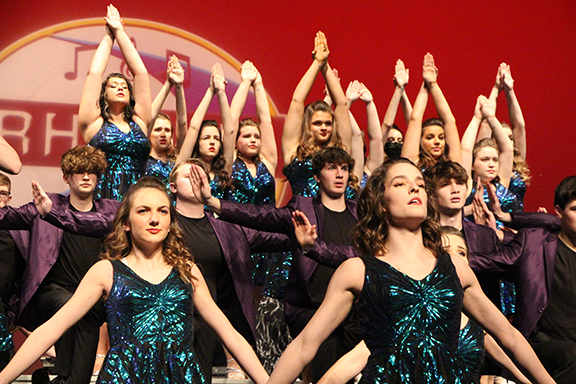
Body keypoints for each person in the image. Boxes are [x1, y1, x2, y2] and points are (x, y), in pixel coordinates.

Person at [266, 158, 554, 384]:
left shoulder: (455, 267)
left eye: (419, 183)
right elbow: (305, 345)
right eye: (401, 184)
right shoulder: (356, 271)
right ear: (381, 202)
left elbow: (510, 337)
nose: (415, 188)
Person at [0, 177, 269, 384]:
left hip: (182, 376)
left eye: (163, 211)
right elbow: (51, 329)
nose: (154, 218)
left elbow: (230, 335)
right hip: (124, 376)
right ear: (126, 223)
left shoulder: (188, 271)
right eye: (143, 211)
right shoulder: (106, 271)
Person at [194, 147, 360, 382]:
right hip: (311, 306)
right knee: (327, 346)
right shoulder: (303, 207)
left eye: (344, 168)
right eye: (331, 168)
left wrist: (314, 247)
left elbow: (357, 256)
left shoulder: (359, 212)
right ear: (316, 176)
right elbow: (259, 215)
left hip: (356, 307)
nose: (339, 174)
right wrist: (213, 201)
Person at [314, 226, 532, 384]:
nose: (454, 259)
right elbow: (345, 367)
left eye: (461, 253)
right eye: (446, 253)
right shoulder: (408, 325)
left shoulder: (479, 329)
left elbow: (516, 361)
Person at [0, 146, 118, 384]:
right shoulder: (47, 203)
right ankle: (68, 377)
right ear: (66, 177)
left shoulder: (110, 210)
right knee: (74, 306)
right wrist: (46, 212)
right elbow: (8, 216)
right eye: (79, 171)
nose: (86, 176)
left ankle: (68, 380)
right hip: (51, 293)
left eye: (92, 172)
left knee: (86, 311)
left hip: (95, 295)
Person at [471, 176, 576, 384]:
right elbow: (491, 262)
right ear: (558, 211)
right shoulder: (535, 243)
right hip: (541, 344)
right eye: (575, 209)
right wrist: (448, 260)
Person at [229, 60, 291, 373]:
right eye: (246, 136)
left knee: (258, 298)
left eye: (255, 136)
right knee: (239, 295)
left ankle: (257, 353)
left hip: (265, 235)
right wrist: (243, 85)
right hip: (238, 234)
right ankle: (236, 358)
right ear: (236, 142)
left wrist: (259, 87)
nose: (253, 139)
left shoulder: (267, 162)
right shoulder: (230, 165)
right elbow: (229, 125)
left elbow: (268, 125)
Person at [78, 5, 152, 201]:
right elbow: (95, 74)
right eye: (113, 86)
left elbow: (141, 74)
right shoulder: (94, 124)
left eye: (124, 86)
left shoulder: (140, 122)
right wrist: (109, 37)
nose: (120, 88)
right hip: (102, 202)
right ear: (103, 94)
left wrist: (120, 31)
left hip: (138, 202)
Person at [281, 32, 354, 199]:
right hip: (304, 220)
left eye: (328, 124)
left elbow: (342, 105)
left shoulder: (341, 150)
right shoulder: (295, 151)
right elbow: (297, 101)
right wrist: (317, 63)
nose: (324, 128)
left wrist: (326, 66)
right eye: (317, 123)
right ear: (307, 125)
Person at [176, 63, 234, 199]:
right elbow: (194, 128)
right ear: (197, 143)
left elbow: (230, 132)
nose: (212, 142)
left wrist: (221, 92)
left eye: (216, 138)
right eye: (206, 138)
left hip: (218, 221)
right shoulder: (185, 167)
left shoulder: (224, 171)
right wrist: (210, 91)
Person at [477, 63, 530, 210]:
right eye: (503, 137)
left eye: (510, 138)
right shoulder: (484, 166)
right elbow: (486, 124)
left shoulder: (516, 164)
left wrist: (509, 90)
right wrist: (495, 89)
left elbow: (519, 126)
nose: (508, 142)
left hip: (515, 225)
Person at [461, 95, 518, 228]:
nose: (491, 164)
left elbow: (507, 149)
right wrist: (476, 119)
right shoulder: (468, 184)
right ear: (472, 165)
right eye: (485, 159)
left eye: (495, 160)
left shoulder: (502, 182)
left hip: (505, 243)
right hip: (476, 243)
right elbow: (465, 150)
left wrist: (491, 117)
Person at [401, 53, 461, 170]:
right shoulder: (413, 165)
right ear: (420, 141)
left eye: (441, 137)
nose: (437, 142)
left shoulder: (452, 166)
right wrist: (426, 85)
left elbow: (449, 121)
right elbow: (415, 120)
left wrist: (433, 84)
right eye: (429, 137)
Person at [144, 55, 187, 186]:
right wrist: (168, 84)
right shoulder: (141, 157)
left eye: (167, 130)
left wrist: (178, 86)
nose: (163, 134)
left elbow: (182, 122)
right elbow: (148, 120)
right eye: (157, 129)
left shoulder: (176, 159)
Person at [344, 80, 384, 188]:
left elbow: (376, 139)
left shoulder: (369, 171)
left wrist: (370, 103)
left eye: (359, 141)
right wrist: (345, 103)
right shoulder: (335, 176)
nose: (355, 143)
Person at [381, 59, 412, 160]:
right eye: (390, 140)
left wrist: (402, 89)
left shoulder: (410, 161)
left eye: (399, 141)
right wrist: (398, 89)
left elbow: (413, 125)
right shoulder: (376, 161)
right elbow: (387, 125)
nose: (395, 143)